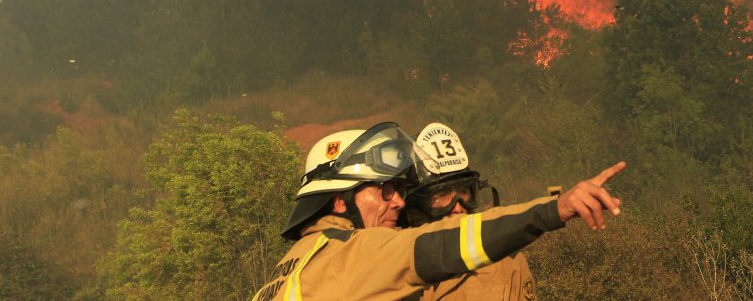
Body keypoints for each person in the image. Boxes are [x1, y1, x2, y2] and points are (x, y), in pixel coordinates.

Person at [252, 121, 624, 301]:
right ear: (339, 200)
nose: (395, 202)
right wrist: (554, 209)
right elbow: (443, 247)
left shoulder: (291, 269)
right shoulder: (355, 254)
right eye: (385, 191)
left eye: (399, 191)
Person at [403, 122, 534, 300]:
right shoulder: (386, 266)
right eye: (441, 195)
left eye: (463, 192)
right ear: (413, 207)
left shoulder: (505, 262)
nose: (457, 208)